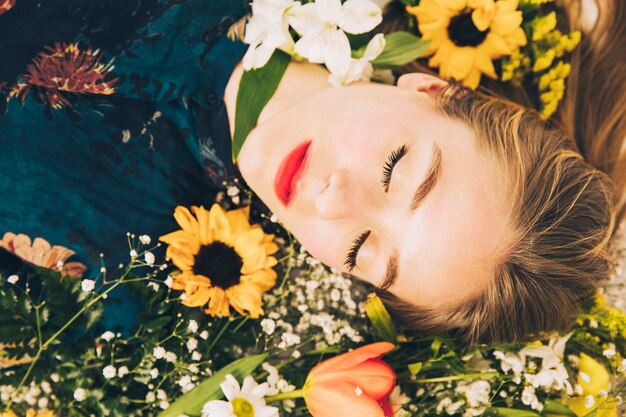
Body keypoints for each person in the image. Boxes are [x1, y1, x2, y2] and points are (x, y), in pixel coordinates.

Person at [0, 0, 623, 345]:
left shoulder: (114, 293)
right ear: (436, 89)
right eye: (394, 168)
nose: (332, 202)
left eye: (361, 250)